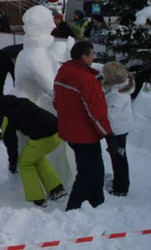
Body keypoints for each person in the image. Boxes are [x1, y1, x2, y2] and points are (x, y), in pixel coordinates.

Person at [53, 40, 118, 211]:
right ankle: (72, 209)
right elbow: (96, 113)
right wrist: (109, 135)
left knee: (96, 170)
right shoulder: (86, 80)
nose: (93, 58)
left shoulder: (63, 72)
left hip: (70, 131)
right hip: (84, 135)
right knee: (88, 175)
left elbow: (56, 102)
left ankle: (97, 205)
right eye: (91, 55)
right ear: (84, 56)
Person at [0, 84, 66, 206]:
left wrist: (13, 161)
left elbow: (10, 141)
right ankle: (56, 189)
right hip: (57, 129)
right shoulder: (17, 101)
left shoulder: (4, 113)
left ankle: (37, 198)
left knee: (24, 163)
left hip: (45, 136)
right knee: (36, 158)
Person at [100, 61, 134, 197]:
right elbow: (100, 68)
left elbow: (111, 117)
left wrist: (99, 107)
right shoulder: (125, 82)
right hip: (123, 125)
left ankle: (121, 187)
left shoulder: (116, 96)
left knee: (118, 157)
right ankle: (121, 182)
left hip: (117, 130)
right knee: (120, 156)